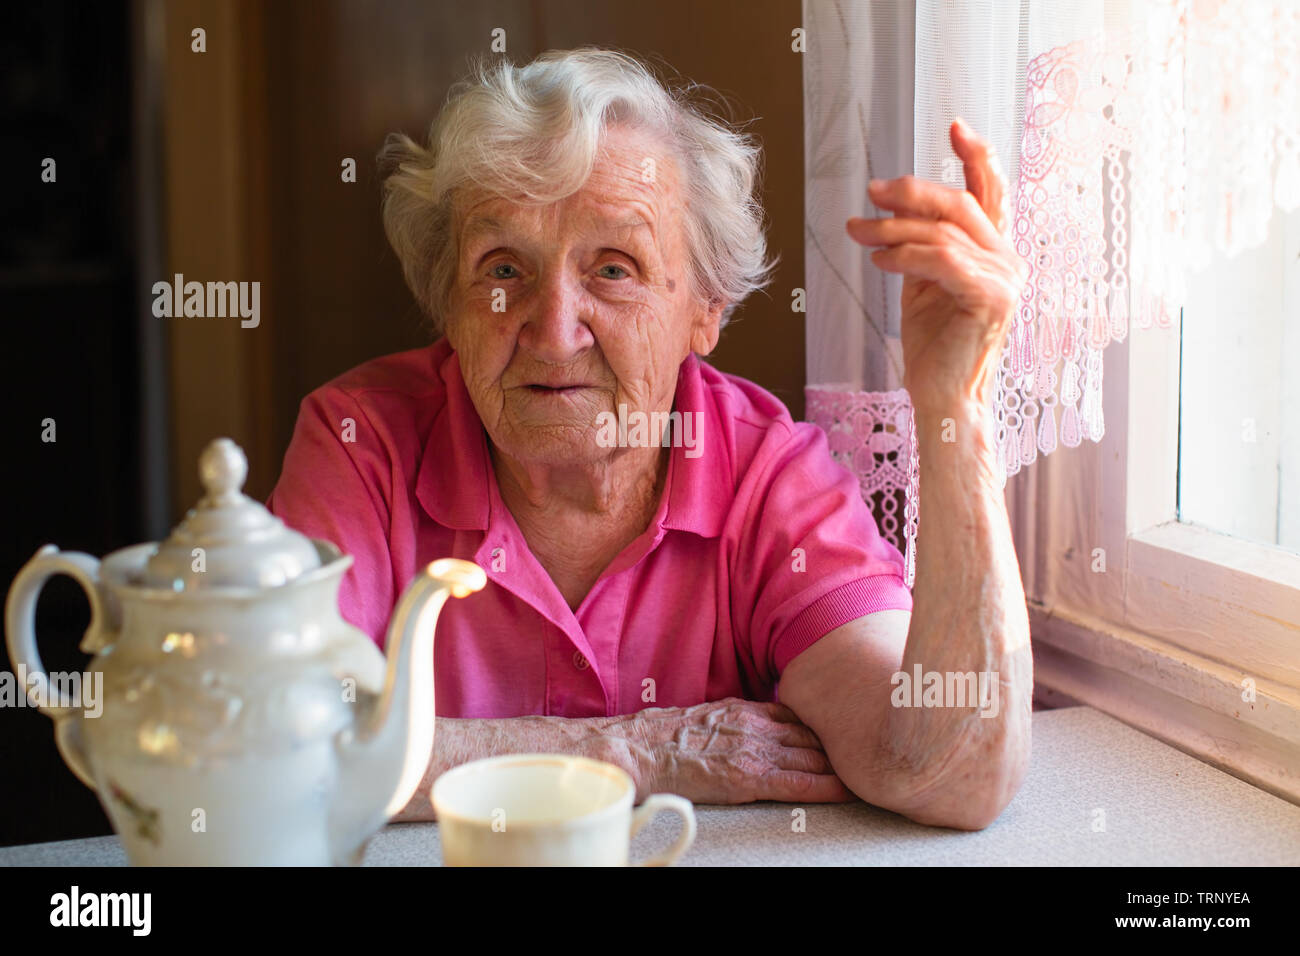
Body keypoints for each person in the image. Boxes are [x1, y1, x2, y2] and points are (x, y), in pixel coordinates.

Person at [267, 47, 1032, 829]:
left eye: (613, 269)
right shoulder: (363, 444)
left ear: (706, 309)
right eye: (502, 270)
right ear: (449, 306)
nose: (554, 332)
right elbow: (283, 755)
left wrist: (956, 404)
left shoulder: (767, 477)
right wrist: (634, 751)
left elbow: (946, 770)